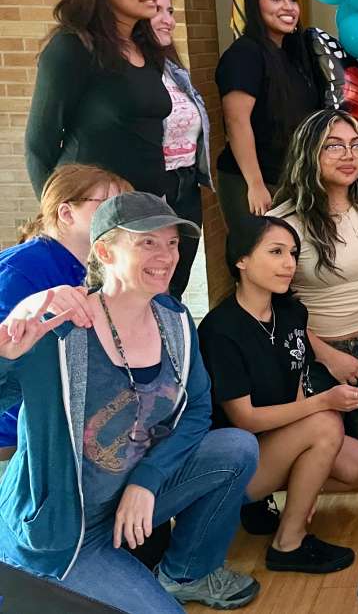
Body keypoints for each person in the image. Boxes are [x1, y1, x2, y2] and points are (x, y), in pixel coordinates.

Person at [0, 192, 260, 612]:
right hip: (62, 535)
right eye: (147, 242)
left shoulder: (175, 320)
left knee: (237, 449)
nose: (166, 256)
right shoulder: (59, 329)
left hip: (125, 497)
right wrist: (3, 354)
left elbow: (196, 410)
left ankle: (185, 573)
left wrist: (147, 481)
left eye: (172, 242)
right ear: (104, 251)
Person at [199, 216, 358, 574]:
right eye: (276, 252)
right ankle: (288, 543)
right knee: (326, 422)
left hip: (278, 443)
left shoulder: (291, 312)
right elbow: (245, 419)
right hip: (235, 464)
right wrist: (325, 402)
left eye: (293, 253)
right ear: (241, 259)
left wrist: (308, 487)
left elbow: (297, 383)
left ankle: (276, 502)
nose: (289, 263)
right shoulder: (220, 329)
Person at [270, 110, 358, 457]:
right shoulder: (282, 222)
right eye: (333, 146)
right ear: (309, 152)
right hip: (313, 354)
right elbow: (269, 304)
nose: (349, 156)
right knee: (321, 453)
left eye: (356, 145)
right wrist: (326, 355)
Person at [0, 165, 130, 478]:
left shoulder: (97, 268)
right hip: (23, 440)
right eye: (107, 205)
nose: (121, 216)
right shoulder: (20, 268)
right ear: (67, 213)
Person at [25, 0, 171, 198]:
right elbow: (39, 145)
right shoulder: (72, 47)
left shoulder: (147, 48)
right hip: (92, 206)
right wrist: (55, 214)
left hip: (148, 204)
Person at [216, 0, 322, 230]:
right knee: (259, 251)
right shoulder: (245, 53)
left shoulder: (293, 55)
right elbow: (236, 121)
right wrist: (255, 184)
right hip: (254, 180)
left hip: (291, 178)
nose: (288, 6)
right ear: (255, 5)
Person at [150, 0, 212, 299]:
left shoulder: (173, 69)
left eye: (170, 11)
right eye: (156, 10)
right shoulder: (124, 74)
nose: (168, 20)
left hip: (186, 185)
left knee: (176, 281)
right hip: (150, 187)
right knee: (151, 281)